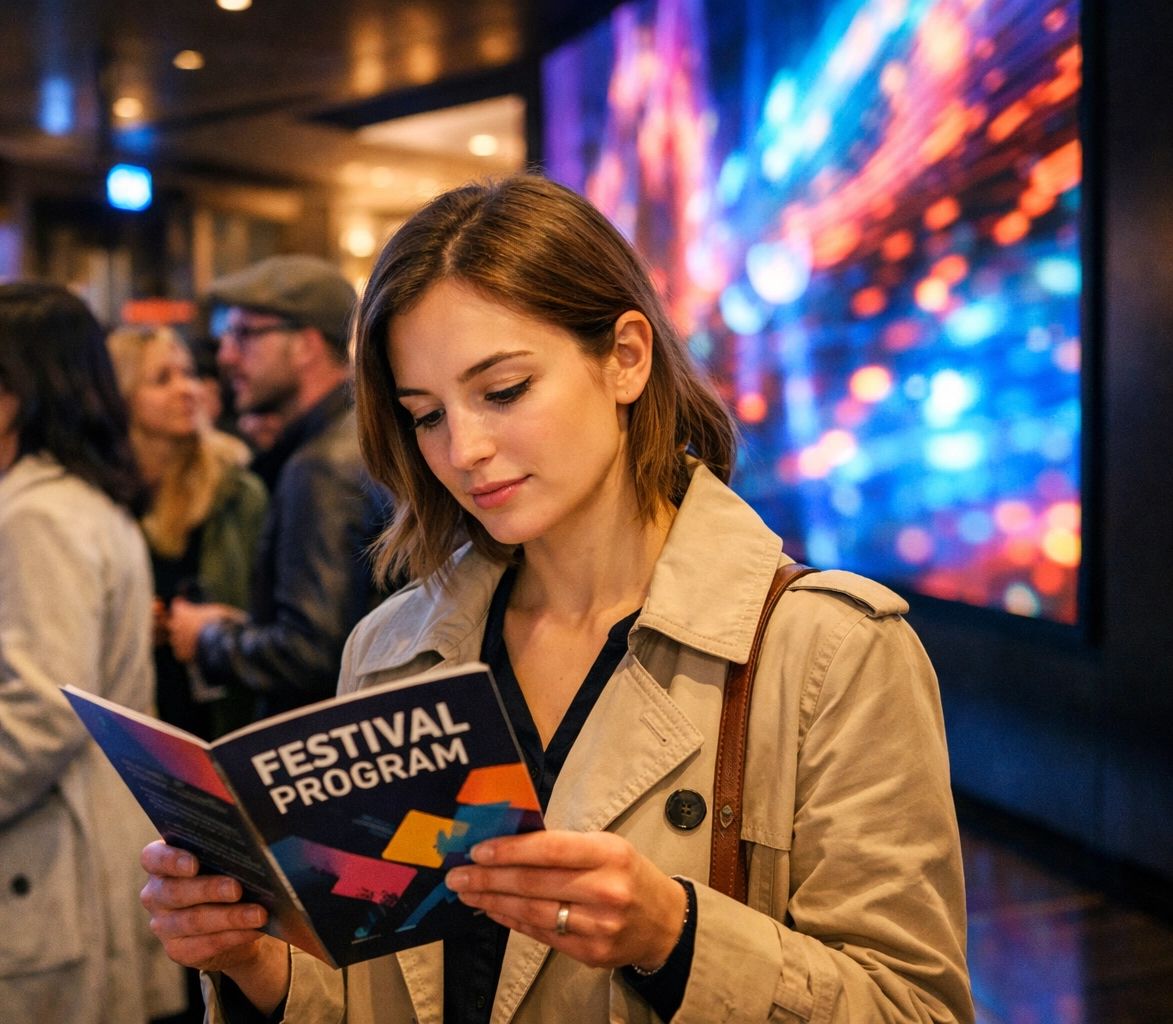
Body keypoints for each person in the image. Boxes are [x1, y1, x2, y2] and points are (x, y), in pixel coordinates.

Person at [140, 175, 974, 1024]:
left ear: (625, 358)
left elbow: (915, 1009)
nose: (465, 449)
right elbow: (384, 988)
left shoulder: (829, 652)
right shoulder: (392, 649)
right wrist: (254, 961)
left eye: (503, 391)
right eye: (425, 414)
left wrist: (674, 936)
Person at [0, 284, 185, 1023]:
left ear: (22, 382)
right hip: (47, 865)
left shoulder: (40, 518)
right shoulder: (52, 503)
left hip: (42, 872)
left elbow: (43, 715)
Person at [167, 255, 392, 721]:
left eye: (245, 335)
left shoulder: (323, 466)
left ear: (305, 346)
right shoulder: (356, 435)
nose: (226, 355)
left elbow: (311, 656)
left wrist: (207, 639)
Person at [108, 325, 268, 739]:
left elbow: (274, 620)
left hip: (221, 721)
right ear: (123, 397)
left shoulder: (237, 491)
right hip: (133, 722)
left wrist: (218, 626)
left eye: (189, 373)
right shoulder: (102, 499)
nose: (188, 389)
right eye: (163, 379)